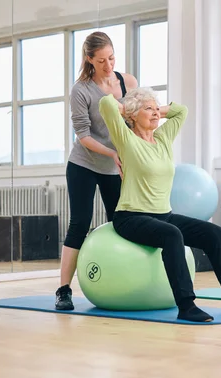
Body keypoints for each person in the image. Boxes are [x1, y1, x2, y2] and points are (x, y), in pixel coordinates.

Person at [97, 87, 221, 322]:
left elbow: (181, 111)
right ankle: (186, 305)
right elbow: (106, 104)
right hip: (130, 217)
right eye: (149, 110)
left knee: (214, 233)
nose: (156, 114)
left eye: (157, 109)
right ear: (133, 115)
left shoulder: (163, 138)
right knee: (172, 235)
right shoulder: (126, 139)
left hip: (163, 215)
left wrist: (154, 109)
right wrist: (131, 107)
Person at [55, 32, 138, 311]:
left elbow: (135, 122)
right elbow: (83, 135)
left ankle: (125, 279)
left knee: (122, 221)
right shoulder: (81, 90)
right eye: (101, 60)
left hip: (115, 167)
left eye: (112, 57)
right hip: (84, 164)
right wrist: (113, 153)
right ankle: (63, 290)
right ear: (89, 59)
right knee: (80, 223)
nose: (108, 65)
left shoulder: (128, 82)